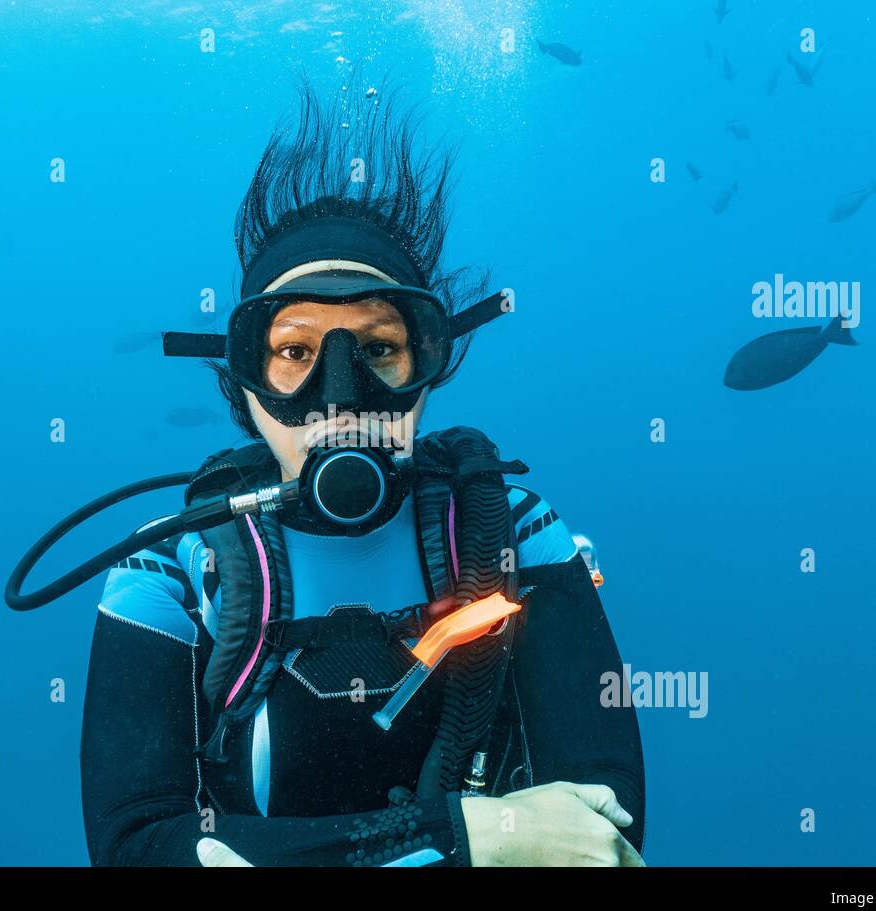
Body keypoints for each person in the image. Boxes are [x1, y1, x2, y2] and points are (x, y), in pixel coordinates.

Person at [78, 82, 645, 867]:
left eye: (378, 349)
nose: (339, 399)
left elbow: (604, 834)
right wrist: (472, 839)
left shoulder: (515, 532)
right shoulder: (168, 566)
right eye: (294, 352)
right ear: (245, 381)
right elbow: (136, 849)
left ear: (425, 368)